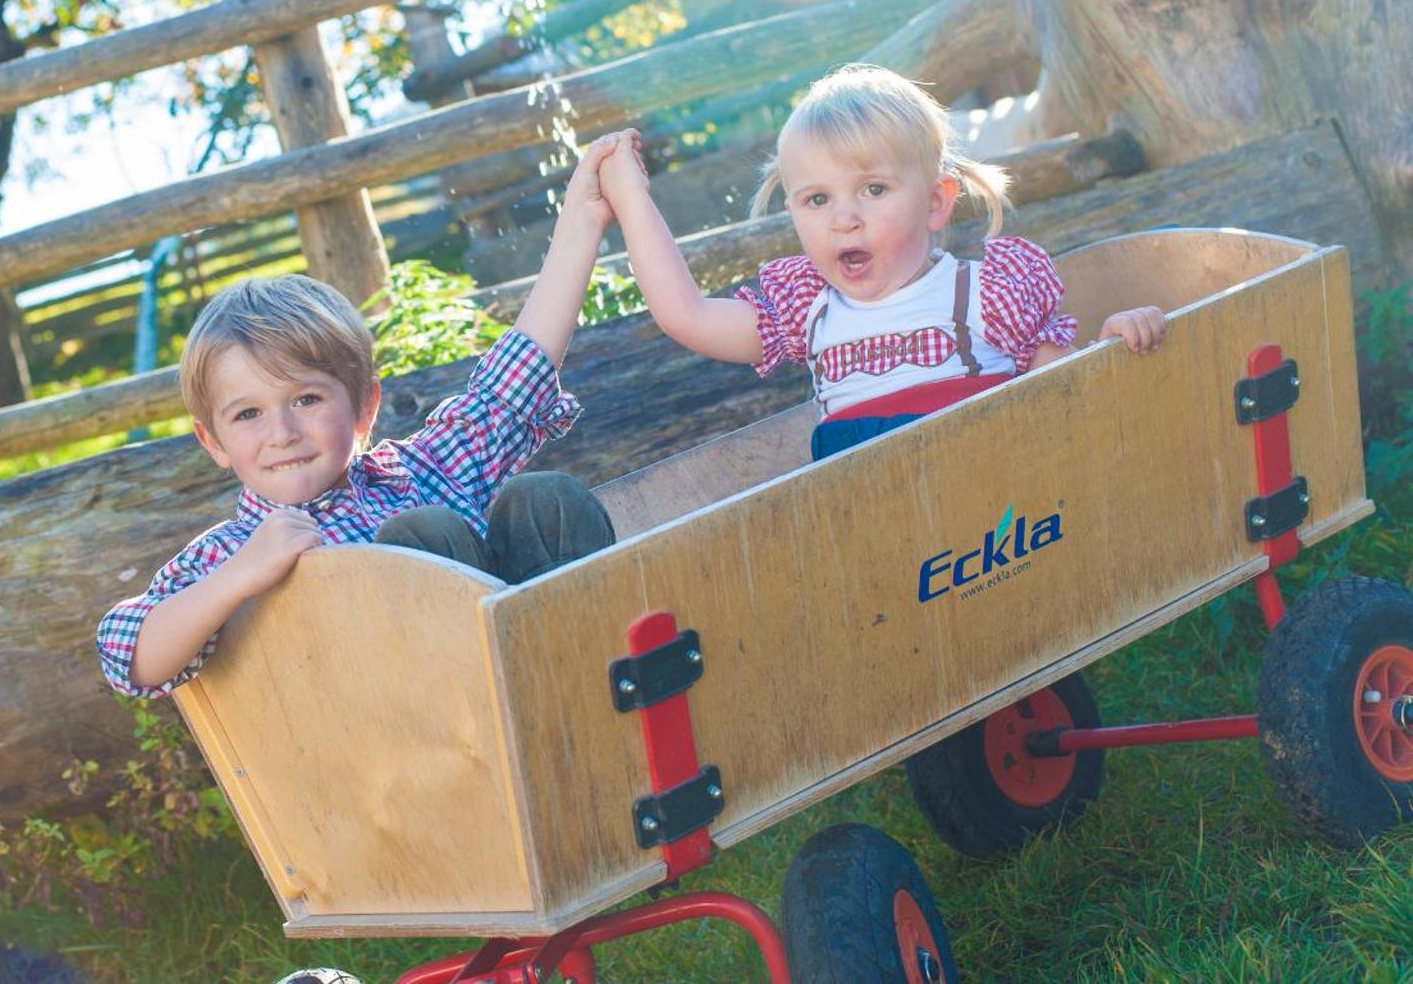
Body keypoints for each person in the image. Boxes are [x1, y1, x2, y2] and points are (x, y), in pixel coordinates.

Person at [97, 134, 626, 699]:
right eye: (248, 413)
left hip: (551, 673)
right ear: (214, 441)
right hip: (418, 728)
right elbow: (126, 654)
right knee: (417, 539)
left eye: (306, 400)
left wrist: (583, 219)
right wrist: (235, 580)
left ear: (365, 406)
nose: (282, 433)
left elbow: (513, 386)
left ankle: (604, 687)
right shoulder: (232, 551)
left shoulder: (426, 471)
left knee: (542, 499)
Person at [598, 64, 1168, 461]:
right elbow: (684, 313)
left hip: (994, 516)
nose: (844, 219)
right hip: (870, 534)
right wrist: (631, 201)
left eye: (872, 190)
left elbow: (1073, 389)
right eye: (817, 199)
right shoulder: (809, 312)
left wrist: (1112, 345)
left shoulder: (982, 296)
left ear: (936, 202)